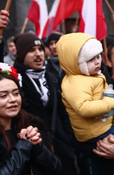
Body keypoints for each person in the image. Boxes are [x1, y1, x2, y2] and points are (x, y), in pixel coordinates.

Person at [13, 33, 77, 175]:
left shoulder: (52, 77)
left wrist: (68, 138)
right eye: (31, 50)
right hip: (33, 146)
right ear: (21, 54)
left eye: (40, 49)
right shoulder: (14, 80)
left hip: (60, 145)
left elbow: (63, 112)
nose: (38, 54)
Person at [56, 33, 114, 175]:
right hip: (98, 132)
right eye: (90, 59)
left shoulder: (87, 76)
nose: (97, 62)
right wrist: (108, 103)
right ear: (75, 63)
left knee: (100, 165)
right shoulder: (76, 82)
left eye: (98, 57)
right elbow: (83, 108)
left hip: (98, 127)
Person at [0, 62, 61, 174]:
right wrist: (24, 145)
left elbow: (55, 167)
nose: (13, 99)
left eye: (16, 93)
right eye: (3, 95)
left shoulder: (30, 124)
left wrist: (37, 146)